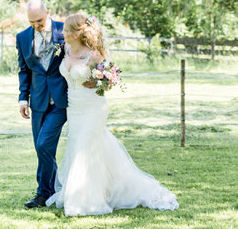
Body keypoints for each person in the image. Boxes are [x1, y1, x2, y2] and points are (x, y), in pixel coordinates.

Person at [45, 13, 179, 216]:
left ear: (76, 33)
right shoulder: (65, 48)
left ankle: (85, 200)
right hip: (74, 108)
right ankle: (91, 190)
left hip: (93, 108)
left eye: (65, 30)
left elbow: (111, 78)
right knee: (78, 147)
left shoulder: (95, 54)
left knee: (85, 149)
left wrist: (100, 82)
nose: (62, 33)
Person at [16, 0, 68, 208]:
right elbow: (24, 70)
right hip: (37, 101)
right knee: (42, 150)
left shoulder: (64, 31)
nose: (36, 25)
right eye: (32, 22)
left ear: (48, 13)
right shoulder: (22, 37)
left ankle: (42, 193)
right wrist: (22, 97)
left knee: (44, 144)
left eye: (39, 20)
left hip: (61, 101)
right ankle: (53, 191)